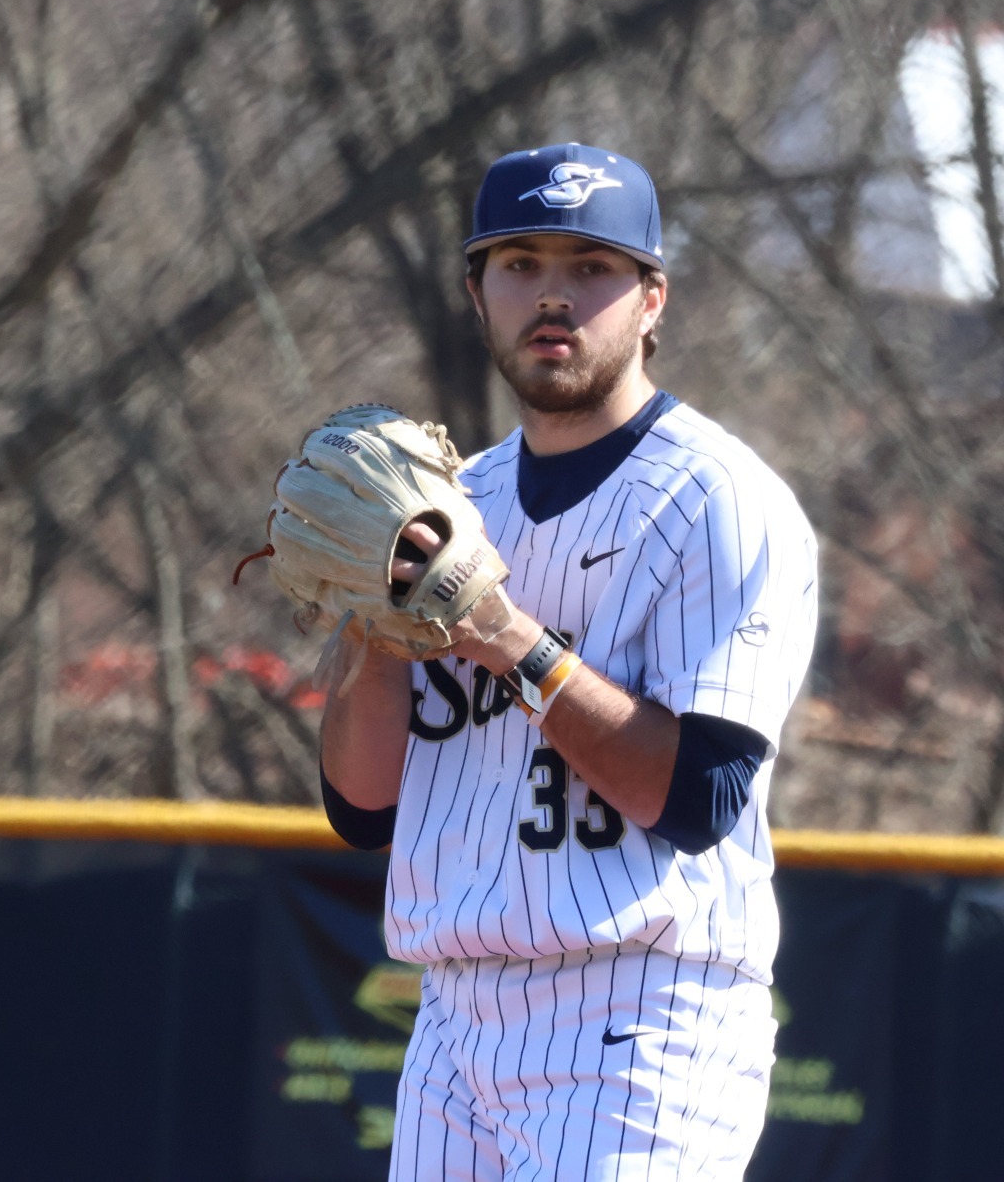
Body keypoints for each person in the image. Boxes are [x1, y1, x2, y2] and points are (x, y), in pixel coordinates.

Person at [318, 142, 819, 1181]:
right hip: (455, 1018)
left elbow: (698, 793)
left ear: (650, 298)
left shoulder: (719, 502)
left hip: (640, 1013)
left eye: (589, 266)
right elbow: (361, 809)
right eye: (520, 263)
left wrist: (507, 635)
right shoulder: (451, 501)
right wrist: (372, 631)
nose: (552, 295)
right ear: (476, 292)